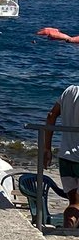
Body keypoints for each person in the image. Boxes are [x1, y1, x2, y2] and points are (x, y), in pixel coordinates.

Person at [45, 84, 79, 229]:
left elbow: (51, 115)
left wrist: (47, 147)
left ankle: (68, 229)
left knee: (74, 202)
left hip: (65, 157)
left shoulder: (69, 91)